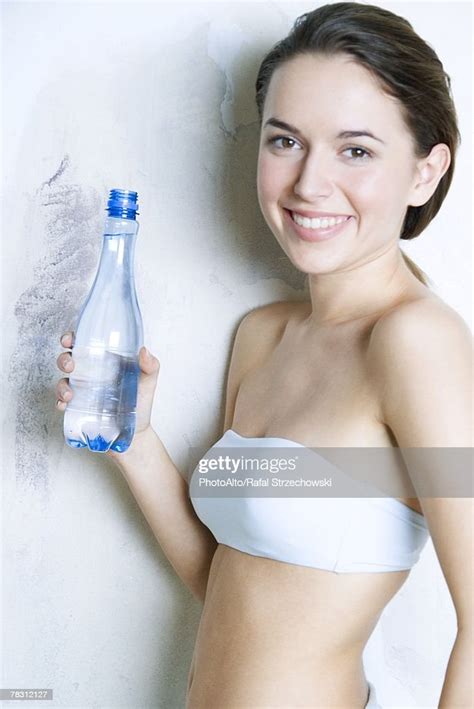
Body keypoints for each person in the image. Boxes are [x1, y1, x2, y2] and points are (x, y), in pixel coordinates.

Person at [55, 2, 473, 707]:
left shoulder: (414, 344)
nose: (310, 184)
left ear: (426, 172)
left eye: (356, 149)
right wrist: (133, 439)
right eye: (285, 141)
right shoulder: (265, 335)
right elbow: (225, 580)